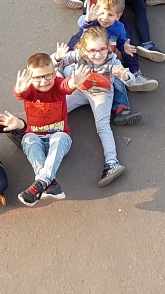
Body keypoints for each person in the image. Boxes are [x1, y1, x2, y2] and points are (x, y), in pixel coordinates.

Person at [55, 27, 133, 185]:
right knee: (57, 107)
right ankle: (31, 131)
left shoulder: (112, 60)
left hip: (101, 94)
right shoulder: (80, 54)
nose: (97, 55)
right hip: (80, 90)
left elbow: (131, 79)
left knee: (103, 126)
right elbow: (50, 64)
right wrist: (57, 58)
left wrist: (124, 74)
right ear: (84, 49)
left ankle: (112, 163)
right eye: (92, 50)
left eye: (102, 49)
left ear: (108, 48)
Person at [13, 52, 88, 205]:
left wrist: (73, 83)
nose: (44, 81)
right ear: (30, 77)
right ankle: (49, 184)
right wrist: (19, 89)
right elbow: (20, 93)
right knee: (28, 139)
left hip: (59, 136)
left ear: (54, 73)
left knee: (59, 137)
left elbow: (66, 86)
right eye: (38, 77)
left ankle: (40, 184)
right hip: (35, 136)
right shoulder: (29, 90)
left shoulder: (58, 84)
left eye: (48, 75)